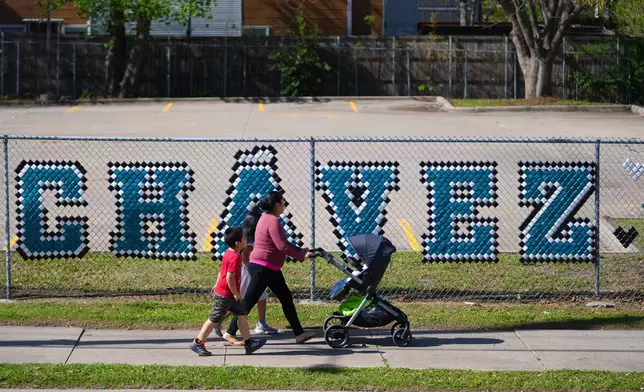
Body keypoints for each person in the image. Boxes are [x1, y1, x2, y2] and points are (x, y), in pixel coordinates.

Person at [224, 191, 317, 344]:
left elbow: (282, 243)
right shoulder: (272, 221)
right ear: (276, 205)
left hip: (269, 268)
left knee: (286, 298)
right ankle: (230, 332)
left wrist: (301, 250)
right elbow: (282, 246)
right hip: (263, 268)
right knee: (248, 301)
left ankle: (299, 334)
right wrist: (302, 255)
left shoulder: (265, 218)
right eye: (283, 202)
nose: (284, 205)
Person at [189, 227, 267, 356]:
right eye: (243, 237)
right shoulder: (235, 258)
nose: (246, 238)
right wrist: (236, 293)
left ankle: (249, 343)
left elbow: (222, 271)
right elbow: (230, 277)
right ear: (237, 243)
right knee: (214, 319)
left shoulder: (229, 252)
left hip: (228, 293)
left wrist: (216, 283)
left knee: (241, 313)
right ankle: (198, 342)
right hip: (225, 295)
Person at [215, 206, 278, 343]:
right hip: (248, 273)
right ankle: (219, 320)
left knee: (261, 297)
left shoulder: (250, 236)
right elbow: (245, 256)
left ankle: (261, 323)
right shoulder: (248, 240)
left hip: (252, 272)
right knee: (243, 301)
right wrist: (253, 271)